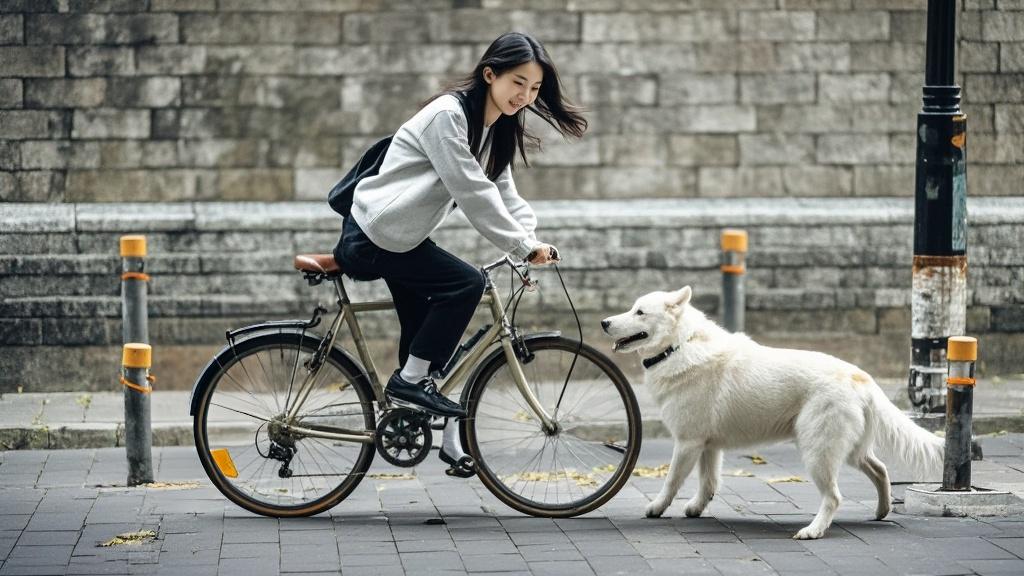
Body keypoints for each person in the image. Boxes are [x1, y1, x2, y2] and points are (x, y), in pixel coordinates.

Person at [334, 31, 587, 476]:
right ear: (490, 74)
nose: (524, 97)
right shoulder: (446, 117)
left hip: (404, 238)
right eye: (517, 83)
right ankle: (407, 384)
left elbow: (502, 189)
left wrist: (531, 238)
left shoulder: (495, 126)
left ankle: (447, 436)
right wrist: (520, 246)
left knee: (434, 346)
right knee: (465, 285)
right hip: (375, 236)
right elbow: (471, 191)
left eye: (533, 89)